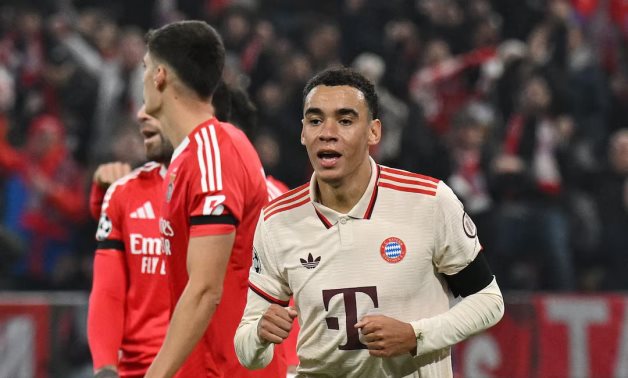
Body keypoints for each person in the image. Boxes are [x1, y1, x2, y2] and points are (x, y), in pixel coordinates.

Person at [235, 67, 504, 377]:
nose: (327, 132)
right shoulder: (277, 219)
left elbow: (488, 301)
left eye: (345, 121)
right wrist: (258, 336)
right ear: (303, 132)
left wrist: (415, 336)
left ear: (374, 132)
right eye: (315, 120)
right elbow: (248, 352)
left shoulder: (429, 201)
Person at [141, 20, 284, 378]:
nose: (142, 79)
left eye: (144, 68)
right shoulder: (193, 155)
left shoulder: (213, 154)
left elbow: (206, 290)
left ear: (159, 76)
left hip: (227, 368)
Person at [88, 105, 173, 378]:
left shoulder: (235, 193)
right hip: (135, 369)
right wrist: (105, 369)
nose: (142, 114)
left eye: (158, 104)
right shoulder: (125, 192)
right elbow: (107, 292)